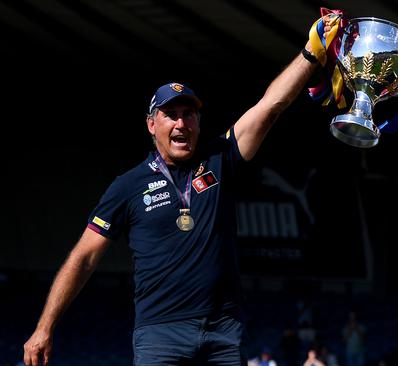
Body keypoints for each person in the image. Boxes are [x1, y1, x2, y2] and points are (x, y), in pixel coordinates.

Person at [22, 15, 335, 366]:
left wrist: (311, 52)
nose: (181, 123)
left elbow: (270, 107)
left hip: (224, 332)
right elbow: (83, 258)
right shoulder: (128, 186)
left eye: (189, 114)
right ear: (151, 124)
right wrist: (44, 327)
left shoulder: (221, 158)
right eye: (170, 114)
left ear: (199, 122)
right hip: (160, 336)